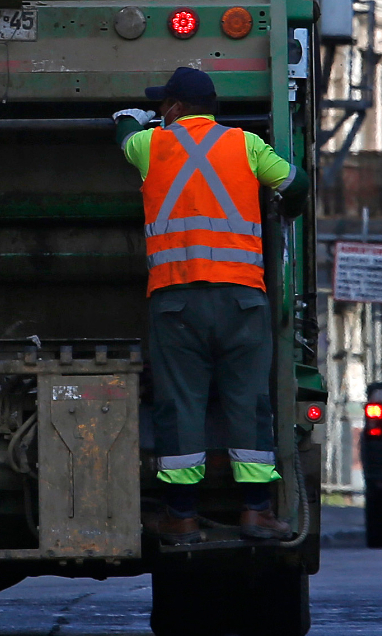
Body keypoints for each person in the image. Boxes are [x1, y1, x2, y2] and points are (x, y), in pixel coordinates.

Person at [113, 67, 310, 544]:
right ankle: (257, 512)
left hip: (176, 303)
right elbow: (296, 184)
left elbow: (124, 137)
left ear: (176, 108)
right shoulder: (245, 145)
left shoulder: (150, 146)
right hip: (241, 299)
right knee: (248, 401)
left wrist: (128, 117)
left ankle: (181, 517)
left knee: (181, 405)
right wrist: (285, 213)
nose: (160, 111)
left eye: (163, 105)